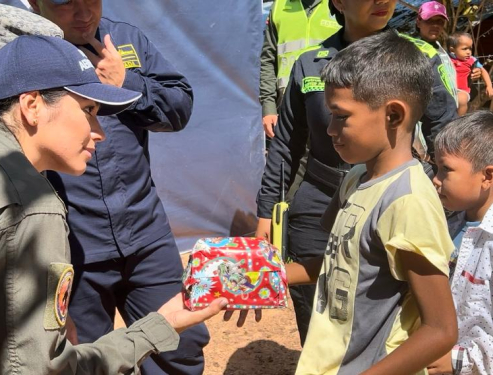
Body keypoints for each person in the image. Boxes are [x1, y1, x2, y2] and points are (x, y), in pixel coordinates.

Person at [0, 34, 228, 375]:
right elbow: (44, 369)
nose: (99, 131)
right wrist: (157, 329)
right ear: (32, 107)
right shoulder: (35, 206)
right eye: (89, 111)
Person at [255, 0, 457, 345]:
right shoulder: (311, 64)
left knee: (385, 318)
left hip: (390, 207)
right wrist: (264, 218)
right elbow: (286, 146)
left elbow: (448, 137)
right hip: (318, 207)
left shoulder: (417, 61)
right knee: (317, 317)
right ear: (339, 2)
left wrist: (442, 206)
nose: (384, 2)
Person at [428, 111, 493, 375]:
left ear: (487, 176)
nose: (436, 179)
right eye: (435, 167)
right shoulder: (451, 222)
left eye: (446, 169)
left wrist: (461, 360)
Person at [260, 0, 340, 139]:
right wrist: (268, 107)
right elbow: (268, 59)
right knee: (285, 159)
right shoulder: (279, 5)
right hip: (287, 108)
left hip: (331, 106)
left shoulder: (341, 4)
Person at [416, 1, 459, 106]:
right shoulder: (414, 50)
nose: (435, 25)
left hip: (449, 112)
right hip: (430, 117)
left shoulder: (439, 47)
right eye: (429, 20)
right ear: (418, 22)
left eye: (440, 21)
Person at [448, 31, 493, 116]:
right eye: (465, 49)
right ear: (452, 50)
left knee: (461, 99)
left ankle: (459, 120)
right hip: (448, 89)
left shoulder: (471, 60)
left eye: (470, 48)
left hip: (462, 90)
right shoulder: (447, 59)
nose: (468, 52)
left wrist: (489, 86)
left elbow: (483, 71)